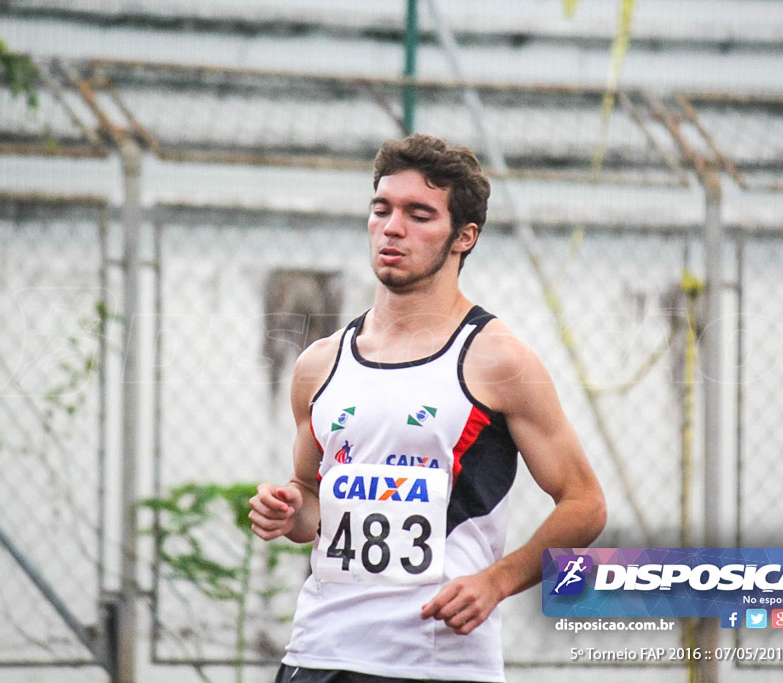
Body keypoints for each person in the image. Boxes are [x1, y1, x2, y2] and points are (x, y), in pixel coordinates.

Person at [249, 133, 606, 683]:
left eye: (419, 215)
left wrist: (497, 581)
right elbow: (312, 503)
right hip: (319, 652)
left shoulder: (498, 360)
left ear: (464, 237)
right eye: (381, 209)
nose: (392, 228)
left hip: (436, 659)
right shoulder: (319, 364)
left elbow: (584, 504)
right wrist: (288, 510)